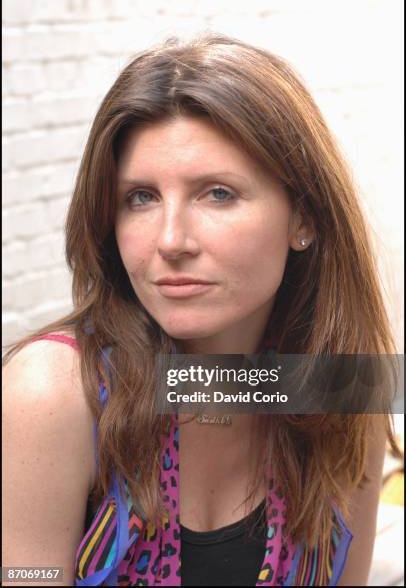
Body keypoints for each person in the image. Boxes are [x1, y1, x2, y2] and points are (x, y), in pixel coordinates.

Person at [2, 32, 402, 587]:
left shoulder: (340, 389)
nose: (171, 240)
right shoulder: (56, 393)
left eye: (217, 193)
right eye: (140, 197)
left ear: (305, 218)